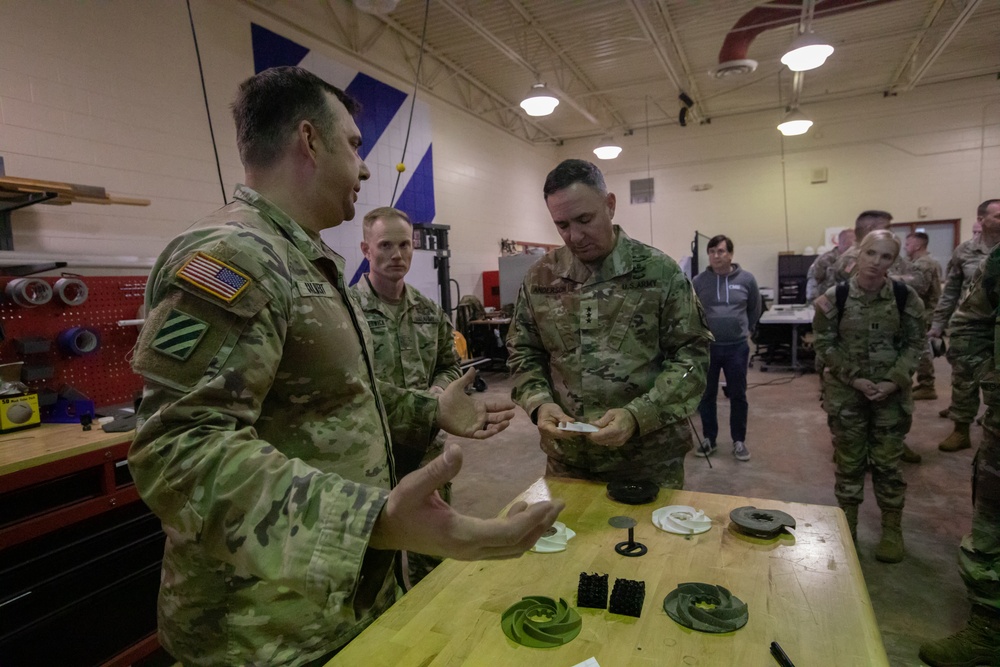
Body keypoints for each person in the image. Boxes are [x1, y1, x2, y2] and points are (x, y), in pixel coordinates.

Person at [127, 66, 563, 666]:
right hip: (262, 628)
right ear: (309, 140)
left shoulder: (303, 258)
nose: (362, 167)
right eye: (355, 145)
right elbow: (178, 451)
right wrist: (373, 521)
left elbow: (330, 399)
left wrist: (426, 407)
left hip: (330, 603)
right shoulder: (234, 254)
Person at [506, 158, 712, 489]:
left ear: (610, 205)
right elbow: (523, 351)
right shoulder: (541, 278)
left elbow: (692, 357)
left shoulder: (659, 273)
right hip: (568, 460)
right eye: (561, 225)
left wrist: (638, 415)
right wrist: (539, 403)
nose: (575, 235)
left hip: (647, 461)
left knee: (651, 541)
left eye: (585, 219)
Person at [353, 205, 462, 587]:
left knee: (432, 554)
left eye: (405, 245)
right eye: (385, 245)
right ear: (366, 249)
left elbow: (451, 365)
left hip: (426, 449)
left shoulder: (429, 312)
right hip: (370, 453)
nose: (396, 255)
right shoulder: (348, 312)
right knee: (371, 562)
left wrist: (438, 390)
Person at [917, 208, 1000, 667]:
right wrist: (976, 382)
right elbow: (966, 317)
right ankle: (989, 629)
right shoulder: (989, 261)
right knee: (994, 512)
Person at [812, 230, 924, 563]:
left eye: (886, 256)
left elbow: (915, 345)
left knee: (889, 465)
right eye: (871, 253)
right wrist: (856, 379)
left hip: (891, 397)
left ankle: (892, 530)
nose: (877, 262)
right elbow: (824, 345)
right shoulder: (836, 297)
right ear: (858, 255)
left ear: (894, 261)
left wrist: (893, 381)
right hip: (848, 395)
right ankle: (847, 531)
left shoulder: (906, 298)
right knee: (849, 463)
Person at [930, 204, 998, 452]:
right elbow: (950, 292)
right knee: (964, 380)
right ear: (982, 219)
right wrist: (938, 324)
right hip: (971, 325)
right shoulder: (965, 251)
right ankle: (961, 431)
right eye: (998, 216)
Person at [692, 235, 761, 461]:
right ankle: (709, 439)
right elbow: (692, 311)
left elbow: (755, 308)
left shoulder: (747, 280)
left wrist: (745, 329)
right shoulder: (699, 281)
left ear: (730, 254)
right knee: (707, 394)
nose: (716, 256)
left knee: (738, 395)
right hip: (708, 348)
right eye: (712, 251)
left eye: (721, 251)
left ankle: (739, 441)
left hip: (736, 349)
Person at [899, 232, 943, 401]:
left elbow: (919, 287)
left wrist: (894, 280)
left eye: (908, 244)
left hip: (924, 312)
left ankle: (927, 385)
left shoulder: (924, 264)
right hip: (923, 311)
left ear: (917, 245)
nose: (905, 246)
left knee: (922, 350)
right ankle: (924, 383)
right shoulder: (921, 262)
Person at [827, 210, 907, 285]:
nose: (891, 231)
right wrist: (903, 279)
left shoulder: (881, 252)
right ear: (870, 229)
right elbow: (870, 288)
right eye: (887, 227)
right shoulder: (854, 258)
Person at [806, 228, 854, 303]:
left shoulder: (854, 260)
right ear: (841, 242)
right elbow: (813, 281)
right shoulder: (825, 259)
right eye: (850, 244)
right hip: (828, 304)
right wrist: (816, 304)